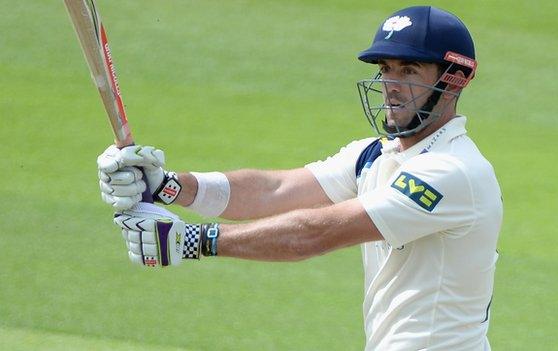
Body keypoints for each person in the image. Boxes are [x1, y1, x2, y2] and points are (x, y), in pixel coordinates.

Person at [97, 5, 502, 350]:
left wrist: (191, 241)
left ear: (454, 79)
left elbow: (314, 233)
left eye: (409, 70)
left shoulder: (453, 171)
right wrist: (171, 185)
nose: (390, 86)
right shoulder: (374, 154)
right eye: (386, 69)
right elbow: (276, 191)